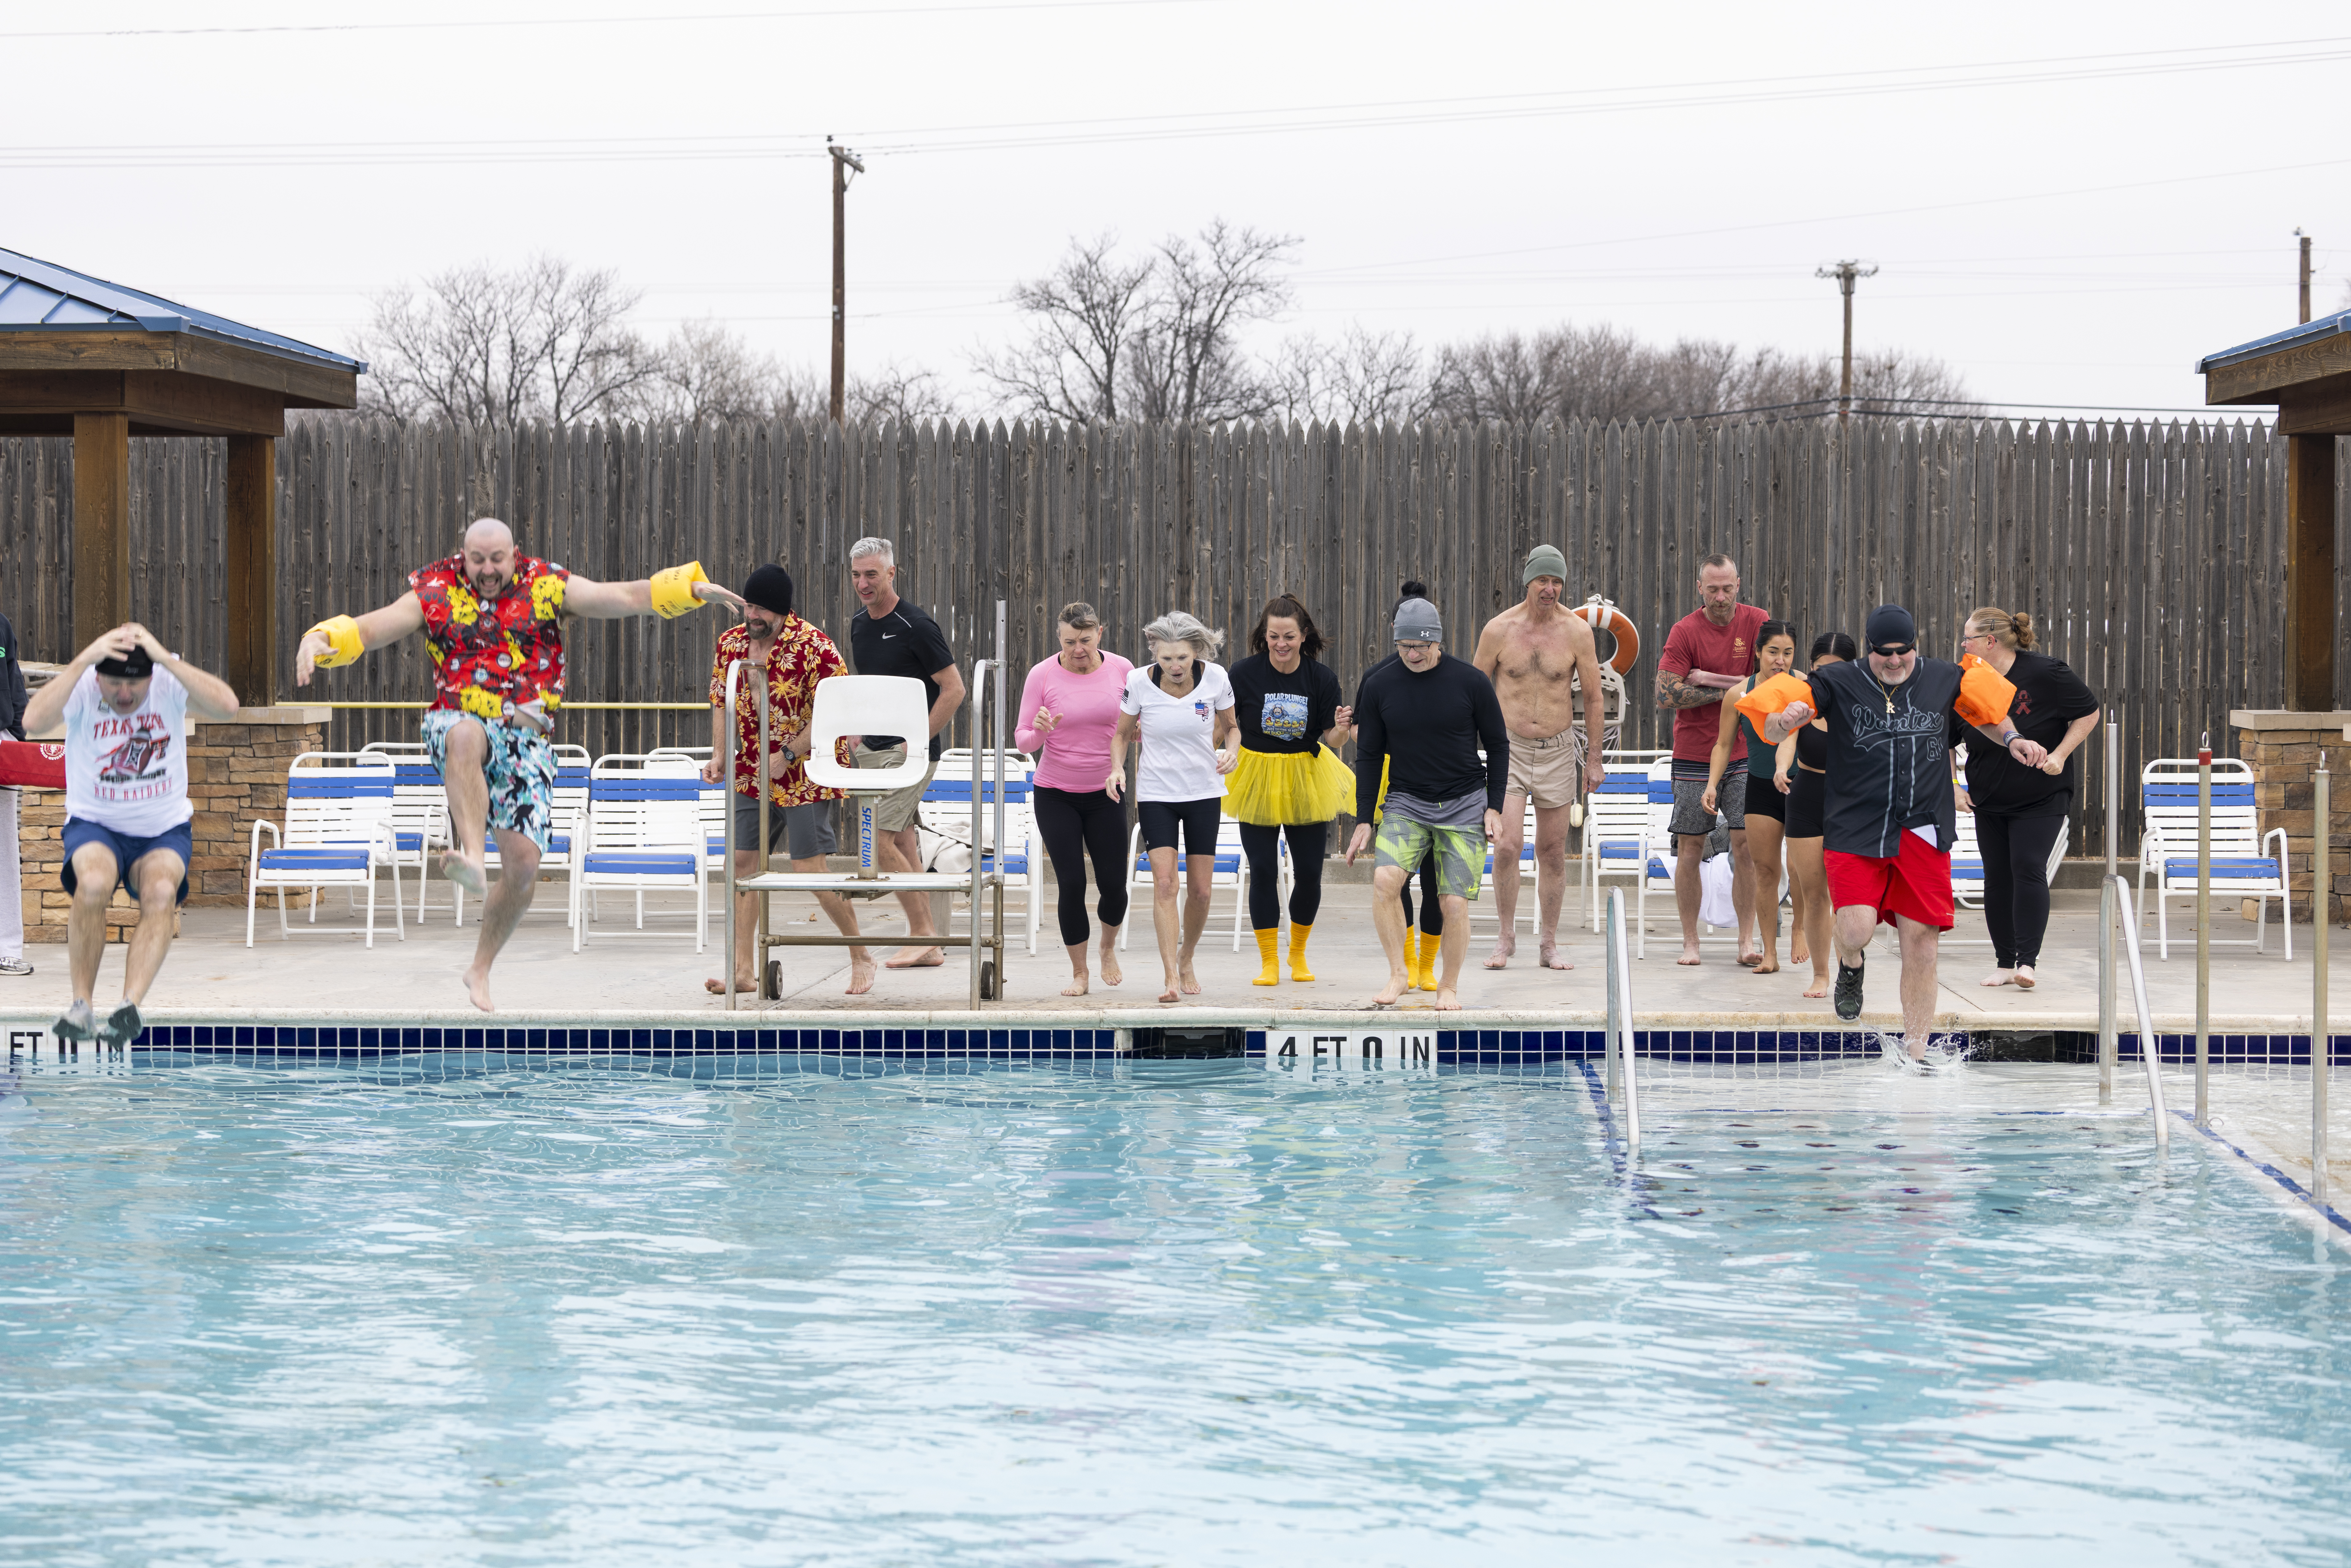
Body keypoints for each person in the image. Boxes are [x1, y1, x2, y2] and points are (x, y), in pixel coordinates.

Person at [294, 516, 742, 1012]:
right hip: (456, 718)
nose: (486, 570)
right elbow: (371, 627)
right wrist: (322, 638)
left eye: (497, 559)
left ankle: (480, 968)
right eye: (477, 559)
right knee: (466, 735)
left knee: (526, 867)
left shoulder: (546, 585)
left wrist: (690, 587)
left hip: (526, 736)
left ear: (515, 553)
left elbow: (625, 598)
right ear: (463, 554)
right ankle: (469, 852)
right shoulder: (434, 589)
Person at [1762, 604, 2048, 1065]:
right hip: (1856, 824)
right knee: (1854, 927)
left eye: (1904, 652)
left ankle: (1917, 1051)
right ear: (1869, 648)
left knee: (1922, 942)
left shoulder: (1943, 677)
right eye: (1884, 654)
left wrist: (2014, 739)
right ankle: (1850, 964)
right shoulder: (1837, 680)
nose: (1895, 661)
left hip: (1922, 826)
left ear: (1916, 644)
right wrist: (1784, 718)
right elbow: (1776, 726)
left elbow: (1988, 716)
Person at [23, 624, 239, 1044]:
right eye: (114, 684)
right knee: (94, 883)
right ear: (99, 677)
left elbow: (228, 705)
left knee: (161, 892)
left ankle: (128, 1005)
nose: (124, 696)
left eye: (134, 686)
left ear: (150, 677)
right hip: (96, 823)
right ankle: (81, 1006)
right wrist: (83, 659)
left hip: (162, 828)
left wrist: (164, 658)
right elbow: (33, 720)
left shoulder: (167, 681)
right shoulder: (85, 683)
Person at [703, 565, 876, 999]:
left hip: (807, 771)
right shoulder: (732, 644)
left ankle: (860, 954)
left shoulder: (814, 646)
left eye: (761, 608)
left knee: (810, 871)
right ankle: (743, 969)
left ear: (782, 610)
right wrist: (720, 754)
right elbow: (720, 700)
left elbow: (835, 712)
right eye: (748, 605)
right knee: (741, 867)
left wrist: (788, 754)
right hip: (752, 771)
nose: (752, 614)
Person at [1346, 594, 1509, 1011]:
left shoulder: (1470, 681)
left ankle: (1448, 985)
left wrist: (1493, 806)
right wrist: (1364, 818)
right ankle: (1399, 972)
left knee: (1452, 901)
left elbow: (1497, 743)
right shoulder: (1381, 684)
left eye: (1420, 646)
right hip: (1406, 801)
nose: (1412, 654)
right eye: (1404, 646)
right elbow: (1367, 754)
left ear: (1438, 642)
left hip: (1463, 802)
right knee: (1385, 881)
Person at [1473, 545, 1608, 971]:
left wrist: (1593, 759)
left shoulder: (1576, 632)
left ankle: (1548, 942)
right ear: (1527, 581)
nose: (1549, 589)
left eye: (1556, 582)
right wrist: (1465, 750)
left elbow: (1592, 697)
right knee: (1508, 845)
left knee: (1551, 851)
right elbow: (1472, 692)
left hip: (1556, 748)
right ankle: (1505, 936)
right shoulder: (1499, 629)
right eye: (1542, 581)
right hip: (1507, 748)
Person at [1955, 605, 2100, 991]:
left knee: (2027, 865)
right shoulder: (1968, 680)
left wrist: (2060, 754)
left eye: (1967, 637)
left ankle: (2026, 962)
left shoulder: (2046, 672)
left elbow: (2088, 712)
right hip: (1988, 796)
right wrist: (1951, 785)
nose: (1962, 644)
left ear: (1989, 641)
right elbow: (1944, 738)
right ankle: (2005, 962)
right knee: (1997, 877)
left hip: (2041, 794)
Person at [845, 537, 968, 970]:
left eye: (872, 574)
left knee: (875, 841)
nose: (863, 583)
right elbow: (873, 687)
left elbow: (954, 690)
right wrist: (857, 729)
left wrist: (914, 740)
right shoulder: (860, 623)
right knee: (900, 840)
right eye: (857, 574)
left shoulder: (916, 624)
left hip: (912, 754)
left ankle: (920, 932)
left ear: (892, 573)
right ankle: (930, 942)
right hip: (872, 752)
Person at [1224, 594, 1354, 987]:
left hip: (1306, 777)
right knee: (1263, 870)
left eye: (1289, 637)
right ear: (1264, 637)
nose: (1281, 644)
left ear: (1303, 636)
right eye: (1273, 636)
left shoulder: (1321, 678)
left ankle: (1297, 955)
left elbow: (1332, 739)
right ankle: (1268, 962)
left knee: (1310, 872)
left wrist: (1343, 726)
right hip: (1257, 776)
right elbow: (1226, 724)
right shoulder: (1243, 673)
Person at [1108, 612, 1237, 1004]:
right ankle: (1169, 976)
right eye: (1166, 659)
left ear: (1196, 652)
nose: (1175, 667)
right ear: (1155, 654)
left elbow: (1232, 726)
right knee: (1166, 884)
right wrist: (1116, 768)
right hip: (1156, 793)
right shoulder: (1138, 683)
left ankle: (1187, 957)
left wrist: (1231, 752)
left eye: (1181, 658)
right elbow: (1121, 734)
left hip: (1202, 792)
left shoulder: (1216, 678)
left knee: (1200, 890)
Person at [1656, 553, 1769, 966]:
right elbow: (1665, 692)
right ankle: (1691, 942)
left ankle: (1745, 940)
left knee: (1745, 845)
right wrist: (1730, 692)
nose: (1720, 596)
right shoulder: (1684, 631)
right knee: (1690, 847)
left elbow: (1772, 677)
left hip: (1744, 749)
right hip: (1693, 752)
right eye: (1712, 588)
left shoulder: (1757, 621)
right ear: (1699, 588)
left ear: (1738, 584)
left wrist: (1705, 680)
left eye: (1727, 588)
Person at [1017, 601, 1134, 996]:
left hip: (1107, 791)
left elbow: (1138, 727)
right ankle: (1080, 971)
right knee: (1071, 882)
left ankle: (1106, 948)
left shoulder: (1122, 669)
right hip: (1055, 793)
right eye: (1069, 642)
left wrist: (1138, 734)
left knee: (1114, 884)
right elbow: (1023, 740)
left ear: (1100, 633)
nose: (1077, 649)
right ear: (1059, 638)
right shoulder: (1042, 674)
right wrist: (1040, 730)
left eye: (1085, 640)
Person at [1347, 580, 1446, 993]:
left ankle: (1427, 966)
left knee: (1435, 880)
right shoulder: (1377, 678)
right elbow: (1362, 738)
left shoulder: (1448, 676)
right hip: (1396, 786)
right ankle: (1405, 964)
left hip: (1440, 788)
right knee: (1397, 881)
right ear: (1394, 628)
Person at [1702, 621, 1799, 974]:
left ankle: (1800, 928)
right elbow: (1724, 745)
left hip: (1799, 786)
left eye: (1787, 653)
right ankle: (1768, 951)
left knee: (1802, 868)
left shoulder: (1803, 686)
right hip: (1759, 785)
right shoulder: (1739, 695)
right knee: (1765, 870)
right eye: (1773, 652)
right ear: (1757, 652)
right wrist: (1712, 784)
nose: (1780, 660)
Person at [1775, 632, 1853, 1000]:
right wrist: (1781, 769)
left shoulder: (1862, 707)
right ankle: (1821, 974)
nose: (1829, 678)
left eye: (1837, 671)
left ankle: (1849, 970)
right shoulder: (1803, 703)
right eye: (1822, 670)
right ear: (1811, 670)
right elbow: (1786, 741)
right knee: (1814, 894)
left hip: (1849, 803)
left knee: (1847, 896)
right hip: (1806, 799)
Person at [0, 591, 27, 979]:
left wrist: (17, 738)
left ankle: (7, 949)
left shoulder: (1, 625)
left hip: (0, 744)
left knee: (4, 851)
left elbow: (16, 685)